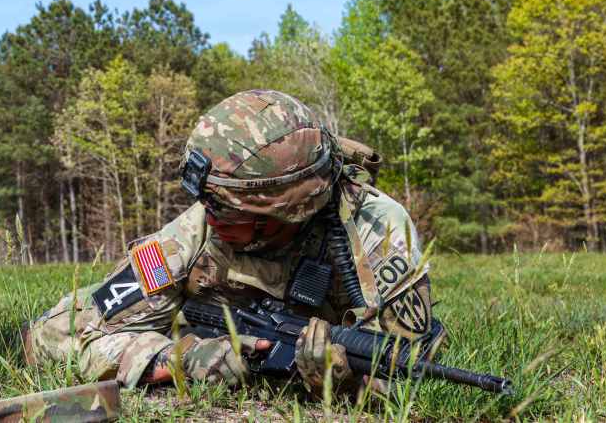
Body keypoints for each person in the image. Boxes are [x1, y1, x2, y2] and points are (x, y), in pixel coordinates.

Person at [22, 89, 444, 395]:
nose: (208, 215)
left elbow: (413, 365)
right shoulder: (198, 230)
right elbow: (54, 337)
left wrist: (345, 385)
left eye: (226, 207)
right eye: (207, 201)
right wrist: (183, 359)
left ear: (287, 209)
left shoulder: (376, 229)